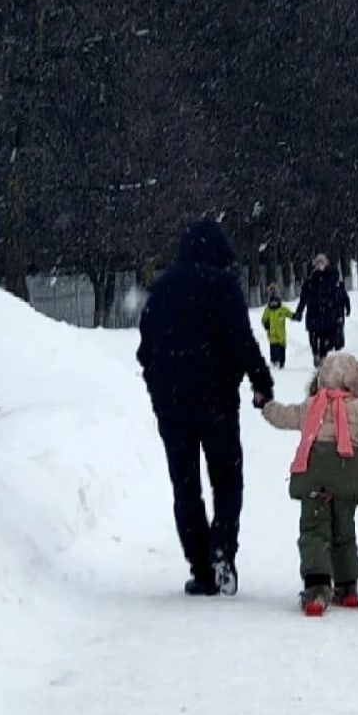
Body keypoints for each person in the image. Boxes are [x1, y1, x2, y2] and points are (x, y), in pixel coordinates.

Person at [136, 219, 275, 598]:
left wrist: (159, 390)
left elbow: (145, 351)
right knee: (227, 480)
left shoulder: (161, 289)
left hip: (172, 406)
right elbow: (240, 340)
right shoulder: (222, 285)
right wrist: (262, 382)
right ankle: (222, 549)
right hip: (216, 402)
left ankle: (200, 569)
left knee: (186, 488)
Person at [261, 352, 358, 615]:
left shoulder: (311, 405)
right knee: (344, 532)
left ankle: (317, 589)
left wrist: (265, 406)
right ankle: (347, 588)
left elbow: (284, 416)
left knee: (315, 531)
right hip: (347, 476)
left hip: (314, 474)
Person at [293, 254, 350, 367]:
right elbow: (303, 297)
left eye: (322, 263)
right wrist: (299, 311)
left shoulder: (332, 277)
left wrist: (346, 307)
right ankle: (316, 354)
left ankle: (323, 357)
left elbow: (341, 294)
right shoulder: (310, 280)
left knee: (325, 339)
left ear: (326, 264)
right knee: (313, 337)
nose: (320, 266)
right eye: (318, 263)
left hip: (328, 315)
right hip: (314, 313)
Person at [260, 284, 292, 369]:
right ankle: (274, 362)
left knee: (281, 350)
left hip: (281, 335)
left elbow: (289, 313)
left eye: (275, 302)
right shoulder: (268, 310)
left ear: (278, 301)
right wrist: (266, 324)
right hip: (272, 335)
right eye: (272, 302)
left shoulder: (282, 309)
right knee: (273, 350)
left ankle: (281, 363)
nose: (274, 303)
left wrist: (295, 316)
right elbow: (263, 319)